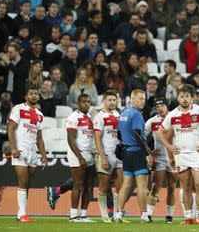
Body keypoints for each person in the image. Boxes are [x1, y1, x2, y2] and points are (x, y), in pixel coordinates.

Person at [156, 84, 199, 225]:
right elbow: (160, 132)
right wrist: (169, 146)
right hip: (181, 155)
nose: (185, 99)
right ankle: (188, 217)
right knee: (185, 186)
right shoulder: (173, 114)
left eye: (187, 96)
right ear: (178, 98)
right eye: (182, 96)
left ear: (192, 98)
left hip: (197, 154)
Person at [8, 86, 48, 222]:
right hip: (20, 150)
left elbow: (39, 138)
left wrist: (44, 155)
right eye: (31, 94)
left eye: (36, 94)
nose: (34, 96)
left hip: (33, 152)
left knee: (27, 183)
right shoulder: (18, 109)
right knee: (23, 181)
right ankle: (22, 215)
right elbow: (11, 129)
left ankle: (22, 212)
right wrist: (13, 148)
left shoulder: (40, 115)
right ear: (26, 96)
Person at [115, 89, 154, 223]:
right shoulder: (137, 115)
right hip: (137, 152)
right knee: (142, 186)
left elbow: (119, 134)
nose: (143, 101)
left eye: (144, 98)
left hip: (126, 152)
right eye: (140, 98)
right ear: (133, 99)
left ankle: (118, 214)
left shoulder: (123, 113)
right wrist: (147, 154)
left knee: (126, 185)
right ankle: (144, 215)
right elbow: (138, 135)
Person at [145, 97, 178, 224]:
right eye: (157, 107)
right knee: (156, 186)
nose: (160, 108)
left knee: (171, 187)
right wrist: (148, 151)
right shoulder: (152, 121)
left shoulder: (175, 118)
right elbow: (141, 136)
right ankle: (148, 215)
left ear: (167, 106)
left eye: (162, 105)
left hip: (174, 158)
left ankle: (169, 216)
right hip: (159, 158)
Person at [93, 90, 122, 223]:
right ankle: (104, 215)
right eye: (109, 100)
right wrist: (103, 157)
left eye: (114, 100)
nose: (112, 102)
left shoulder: (118, 114)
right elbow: (97, 138)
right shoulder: (100, 116)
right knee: (104, 187)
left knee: (120, 187)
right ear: (104, 101)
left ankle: (117, 214)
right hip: (105, 155)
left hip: (119, 156)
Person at [66, 94, 96, 222]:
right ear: (78, 104)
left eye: (88, 102)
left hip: (89, 154)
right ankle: (73, 215)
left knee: (89, 185)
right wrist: (80, 157)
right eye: (84, 102)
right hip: (77, 154)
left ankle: (83, 214)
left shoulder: (89, 117)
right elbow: (70, 138)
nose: (87, 104)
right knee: (78, 184)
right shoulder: (73, 117)